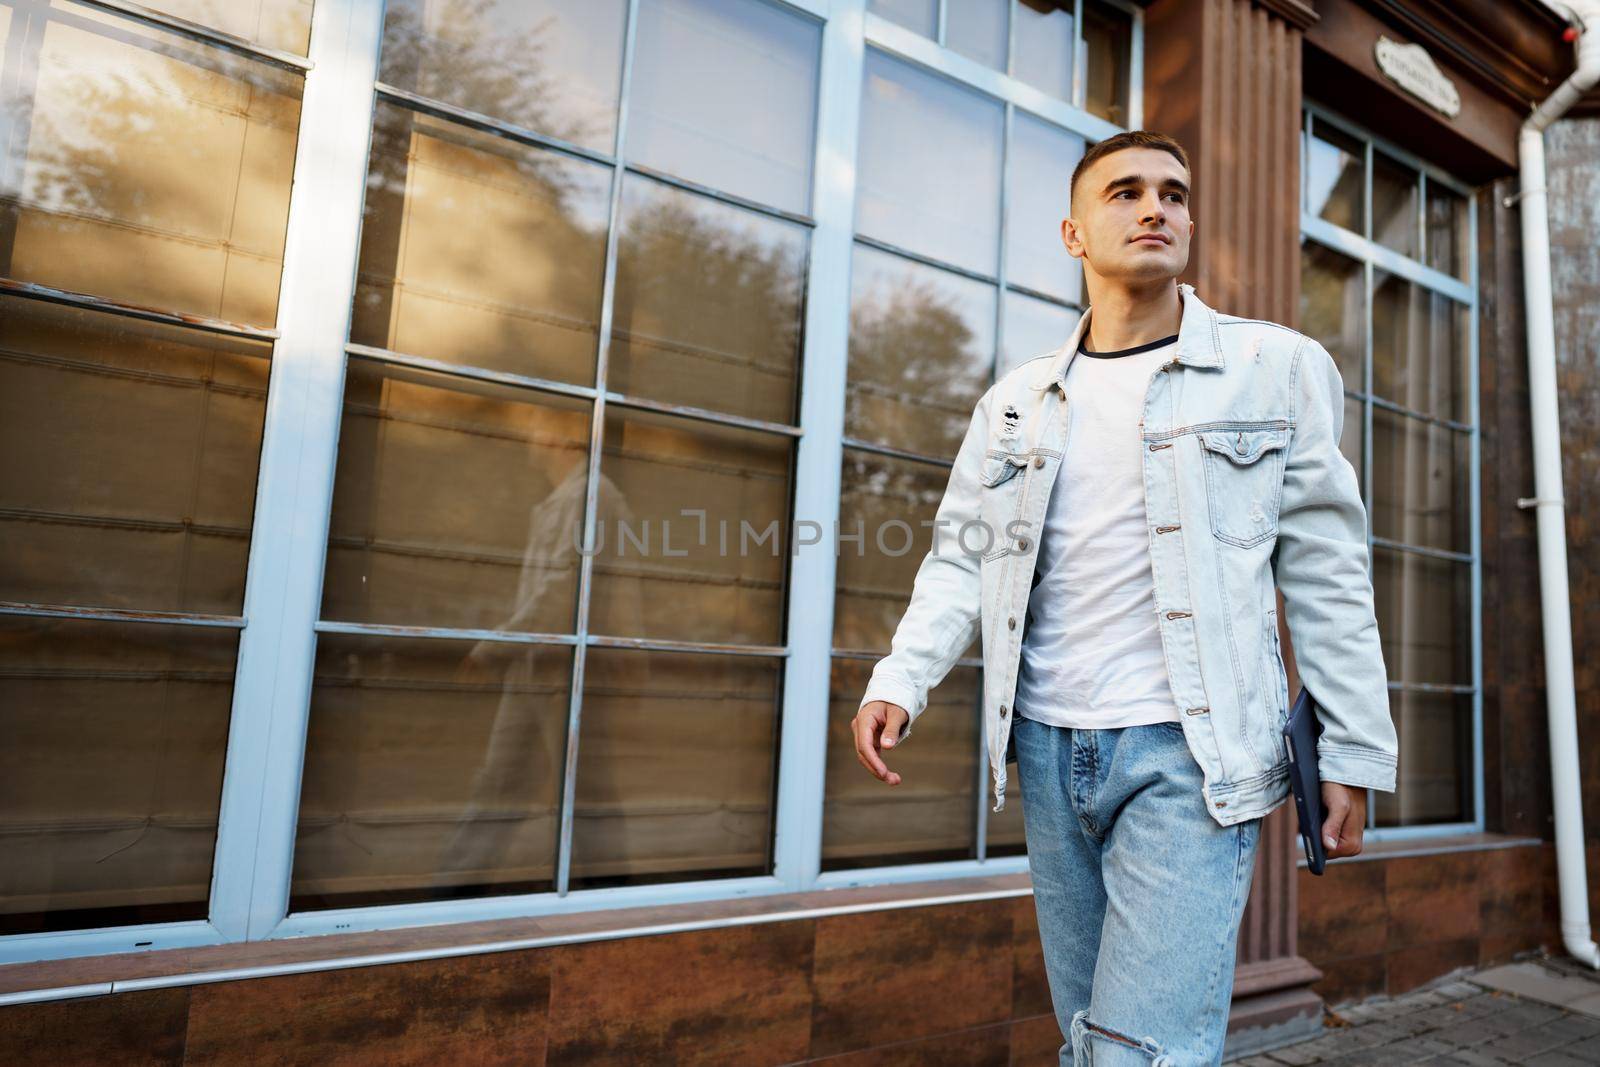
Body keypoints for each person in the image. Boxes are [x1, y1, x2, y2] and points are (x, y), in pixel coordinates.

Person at [850, 130, 1398, 1065]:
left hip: (1189, 754)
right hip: (1049, 744)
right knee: (1091, 1037)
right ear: (1073, 233)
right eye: (1127, 192)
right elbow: (962, 555)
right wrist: (902, 674)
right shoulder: (1018, 401)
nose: (1157, 209)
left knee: (1142, 1052)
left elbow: (1328, 574)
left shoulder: (1277, 369)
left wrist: (1351, 746)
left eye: (1175, 194)